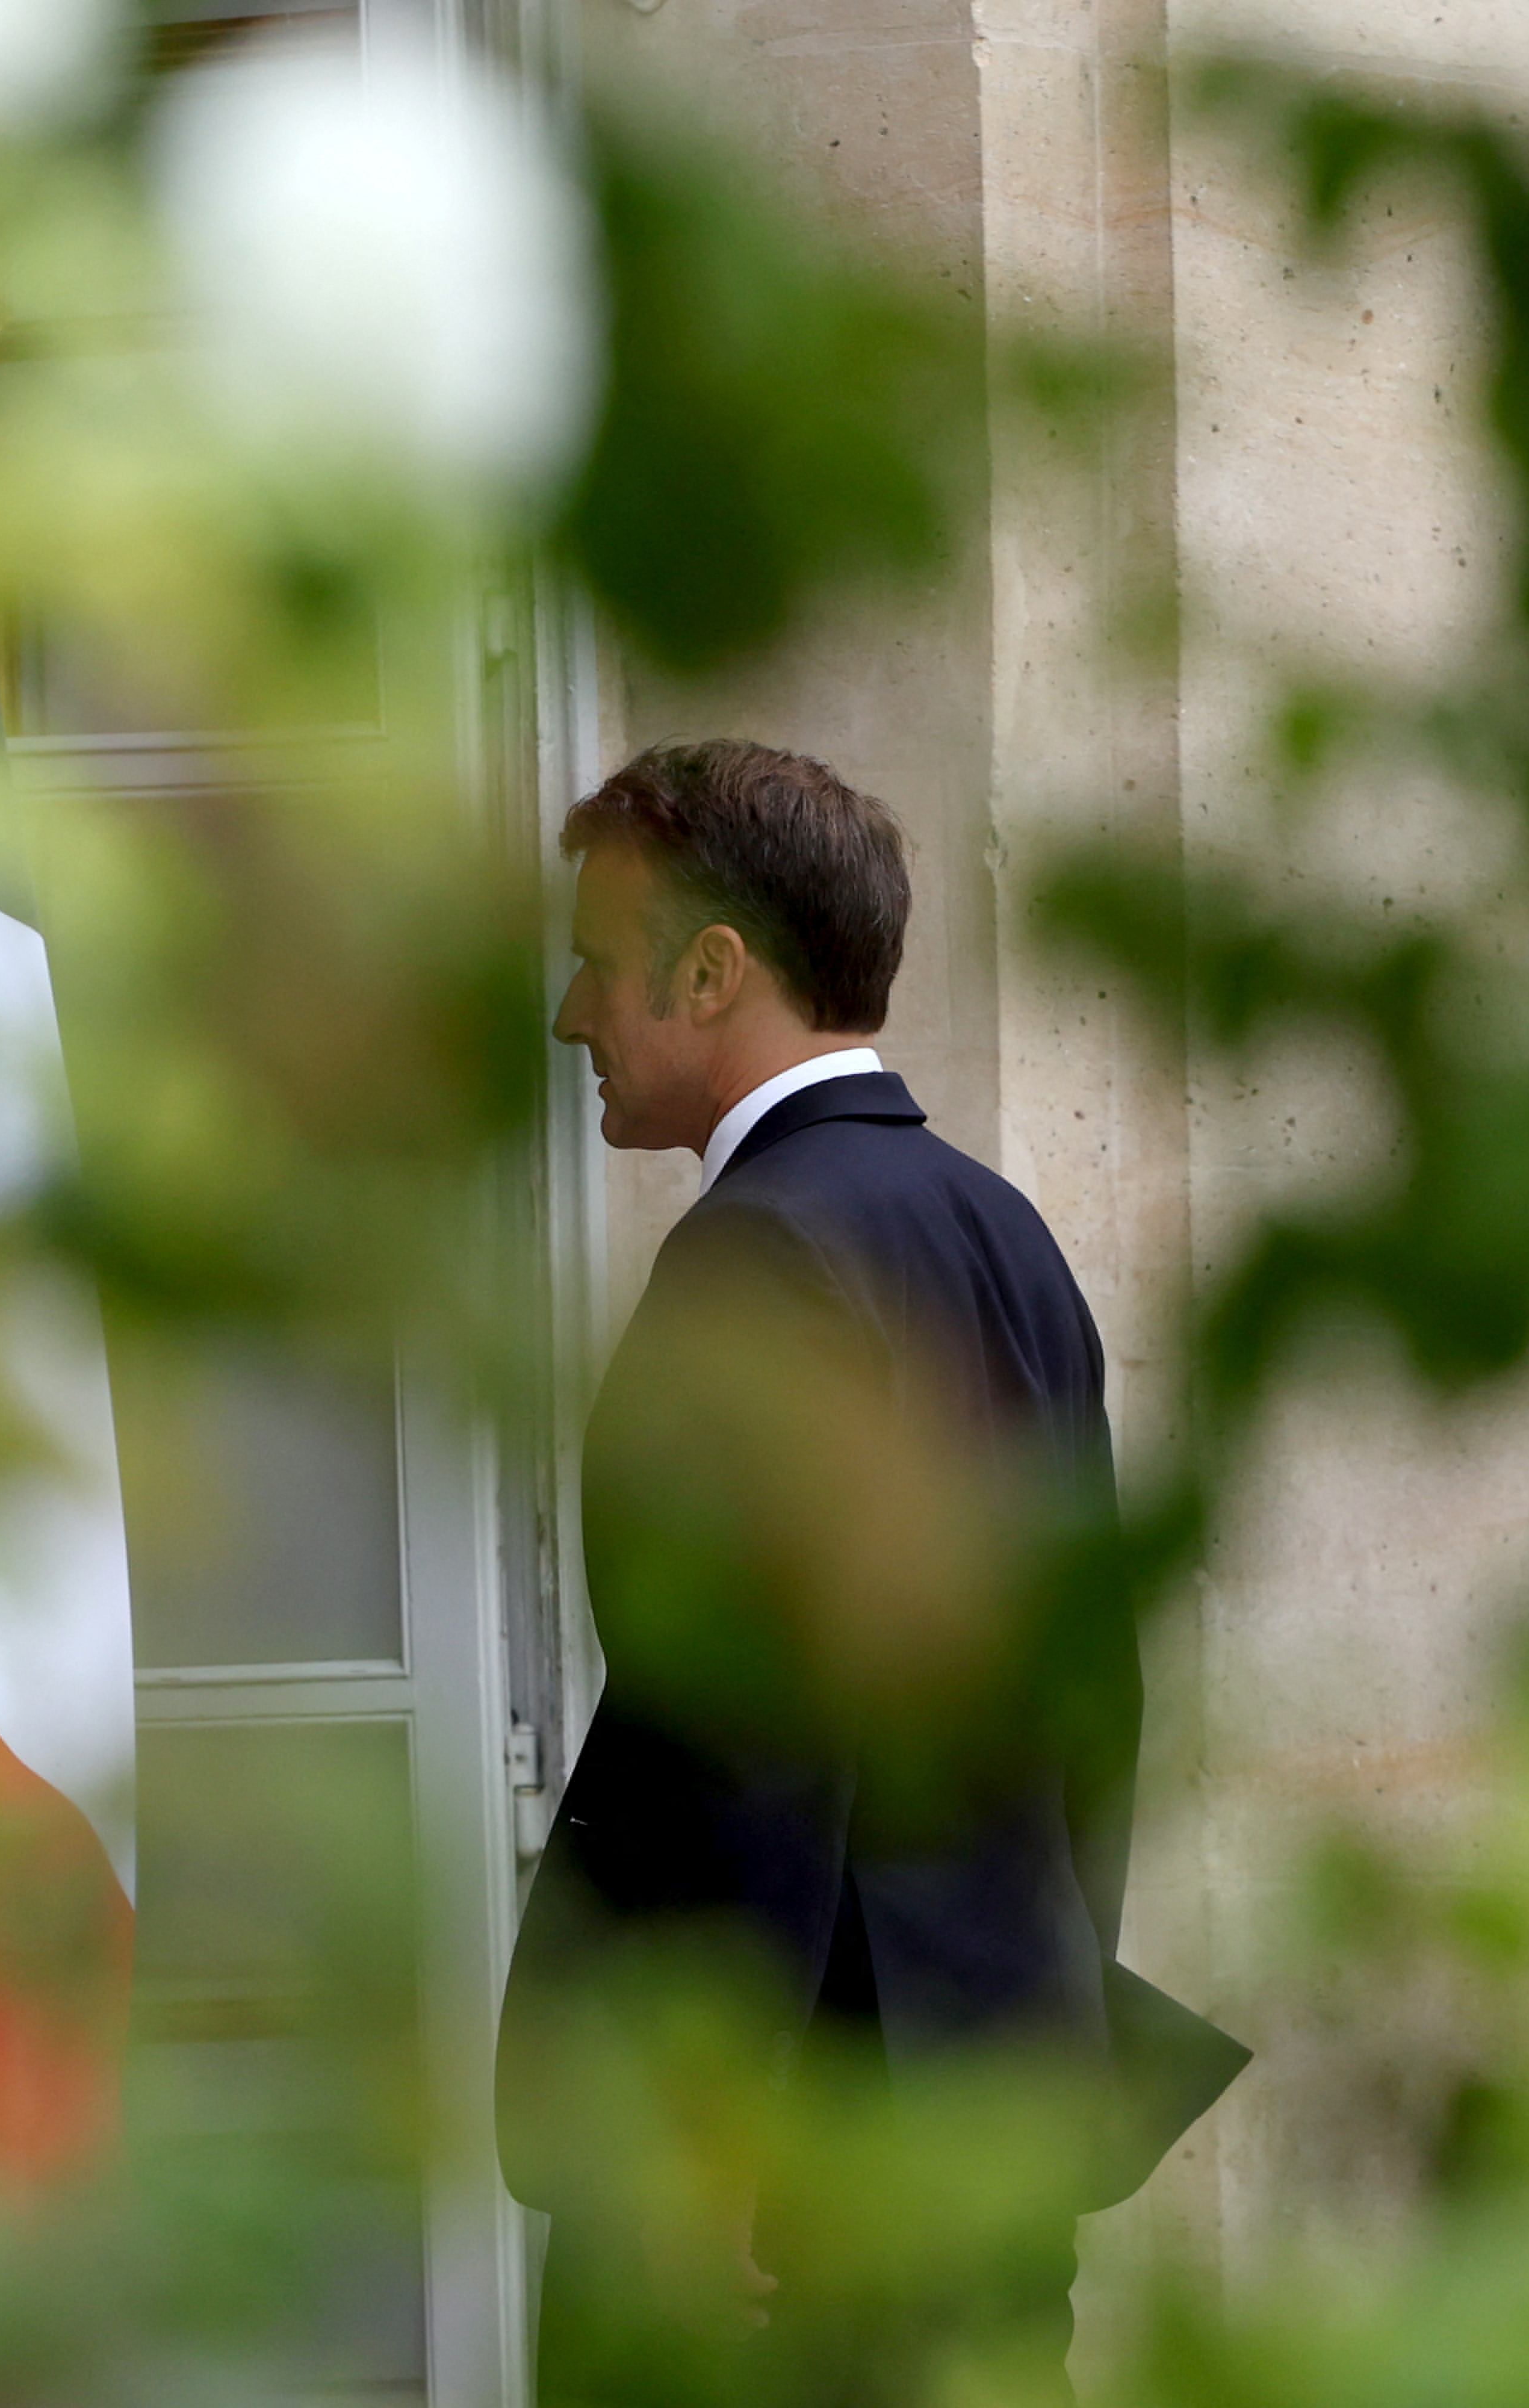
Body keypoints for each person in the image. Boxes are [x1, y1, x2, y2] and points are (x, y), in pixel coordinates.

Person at [497, 740, 1150, 2408]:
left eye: (595, 962)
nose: (573, 1012)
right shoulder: (1006, 1235)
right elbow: (1092, 1699)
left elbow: (753, 1744)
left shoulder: (761, 1258)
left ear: (712, 972)